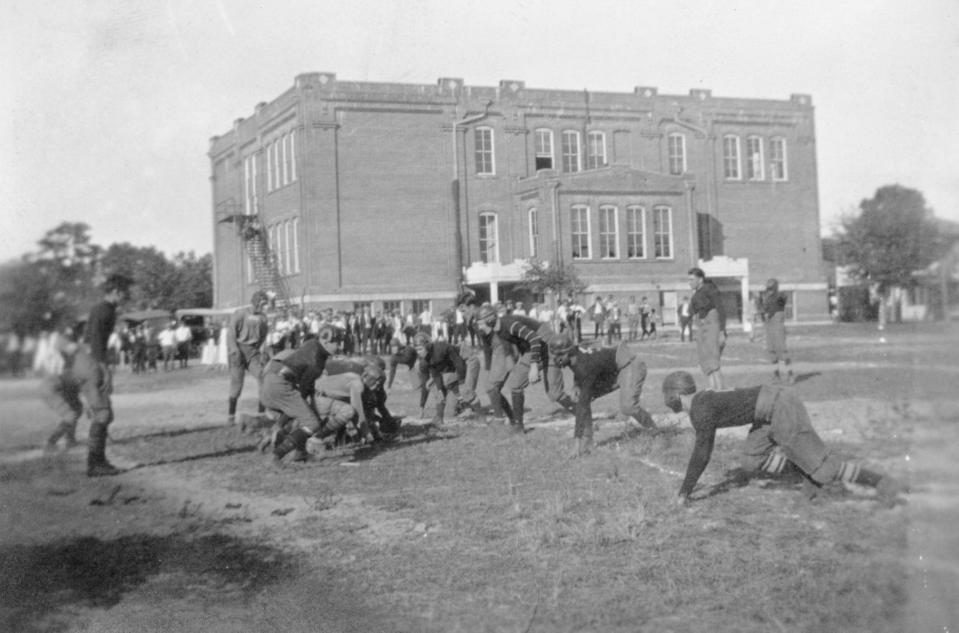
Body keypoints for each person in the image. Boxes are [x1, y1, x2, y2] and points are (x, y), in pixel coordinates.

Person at [661, 371, 908, 507]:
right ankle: (806, 473)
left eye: (668, 395)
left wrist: (685, 492)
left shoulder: (700, 410)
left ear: (676, 394)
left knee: (823, 469)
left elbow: (702, 454)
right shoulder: (703, 400)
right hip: (766, 409)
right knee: (750, 461)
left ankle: (880, 482)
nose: (666, 400)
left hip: (779, 406)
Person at [548, 333, 657, 457]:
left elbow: (583, 402)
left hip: (628, 365)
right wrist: (576, 384)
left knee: (628, 407)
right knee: (578, 397)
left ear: (569, 351)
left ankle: (654, 430)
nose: (556, 358)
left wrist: (576, 443)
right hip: (611, 370)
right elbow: (578, 368)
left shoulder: (585, 366)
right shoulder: (576, 356)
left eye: (559, 354)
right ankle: (587, 440)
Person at [79, 273, 134, 476]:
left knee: (104, 414)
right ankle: (95, 464)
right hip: (93, 364)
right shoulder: (104, 311)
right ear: (116, 292)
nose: (126, 297)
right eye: (124, 293)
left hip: (90, 363)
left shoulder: (105, 309)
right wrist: (105, 370)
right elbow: (94, 343)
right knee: (103, 414)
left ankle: (97, 462)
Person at [265, 326, 339, 463]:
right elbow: (303, 392)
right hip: (281, 385)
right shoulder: (316, 363)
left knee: (302, 416)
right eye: (336, 342)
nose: (338, 346)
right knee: (312, 423)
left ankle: (299, 452)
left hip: (272, 379)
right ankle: (276, 455)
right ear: (325, 341)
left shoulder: (311, 343)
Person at [475, 303, 543, 434]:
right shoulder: (482, 329)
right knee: (490, 387)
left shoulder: (502, 325)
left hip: (506, 352)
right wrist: (488, 369)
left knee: (497, 386)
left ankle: (502, 419)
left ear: (490, 319)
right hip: (499, 353)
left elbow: (508, 341)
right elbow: (487, 349)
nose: (479, 326)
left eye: (481, 323)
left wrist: (510, 360)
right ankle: (512, 419)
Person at [226, 290, 271, 425]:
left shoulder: (263, 318)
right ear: (256, 301)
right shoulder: (240, 313)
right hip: (238, 351)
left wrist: (261, 350)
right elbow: (231, 333)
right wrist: (234, 349)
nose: (264, 306)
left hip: (253, 353)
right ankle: (230, 417)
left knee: (263, 378)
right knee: (237, 385)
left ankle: (261, 414)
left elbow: (263, 335)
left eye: (265, 304)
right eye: (263, 303)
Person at [412, 332, 467, 425]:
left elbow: (458, 361)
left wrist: (462, 382)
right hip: (451, 370)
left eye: (420, 349)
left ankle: (467, 405)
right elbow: (435, 376)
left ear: (428, 346)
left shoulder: (440, 348)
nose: (419, 352)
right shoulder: (425, 362)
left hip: (465, 361)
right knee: (437, 389)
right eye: (416, 350)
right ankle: (441, 416)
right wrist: (440, 390)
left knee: (448, 380)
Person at [688, 267, 726, 390]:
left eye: (692, 279)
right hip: (702, 326)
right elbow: (692, 311)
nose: (690, 282)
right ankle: (711, 387)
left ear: (700, 279)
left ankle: (719, 389)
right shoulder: (696, 294)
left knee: (713, 358)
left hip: (712, 324)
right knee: (704, 358)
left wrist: (722, 331)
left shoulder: (710, 289)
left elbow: (720, 309)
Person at [761, 278, 793, 384]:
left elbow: (777, 306)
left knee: (782, 350)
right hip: (769, 325)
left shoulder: (780, 296)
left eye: (770, 288)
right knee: (771, 350)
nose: (769, 290)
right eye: (768, 289)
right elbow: (764, 311)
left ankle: (790, 374)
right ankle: (776, 375)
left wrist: (767, 302)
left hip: (777, 325)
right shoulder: (767, 297)